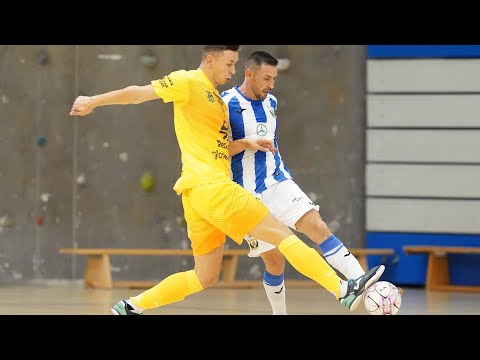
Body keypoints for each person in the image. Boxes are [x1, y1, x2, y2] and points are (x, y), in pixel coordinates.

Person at [69, 45, 384, 315]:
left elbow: (216, 147)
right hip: (213, 187)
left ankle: (131, 306)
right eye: (230, 63)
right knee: (281, 235)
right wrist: (93, 100)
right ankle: (342, 289)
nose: (233, 70)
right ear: (210, 60)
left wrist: (244, 144)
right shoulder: (188, 82)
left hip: (196, 195)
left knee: (204, 276)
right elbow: (138, 94)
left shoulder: (218, 102)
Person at [221, 50, 368, 315]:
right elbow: (214, 150)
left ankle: (361, 283)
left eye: (274, 79)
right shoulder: (225, 102)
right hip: (247, 194)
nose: (271, 85)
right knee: (275, 261)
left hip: (278, 181)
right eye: (266, 78)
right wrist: (244, 144)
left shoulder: (271, 102)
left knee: (317, 226)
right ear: (249, 74)